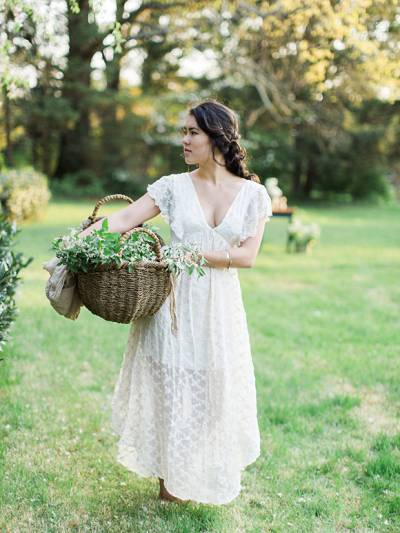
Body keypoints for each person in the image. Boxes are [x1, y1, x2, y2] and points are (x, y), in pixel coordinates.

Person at [78, 98, 273, 505]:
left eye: (192, 132)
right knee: (169, 379)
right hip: (171, 303)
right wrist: (82, 238)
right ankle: (169, 483)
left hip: (219, 308)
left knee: (212, 385)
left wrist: (189, 255)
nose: (183, 139)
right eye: (183, 131)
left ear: (217, 139)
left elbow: (247, 257)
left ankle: (197, 471)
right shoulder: (172, 187)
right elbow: (124, 220)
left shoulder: (254, 195)